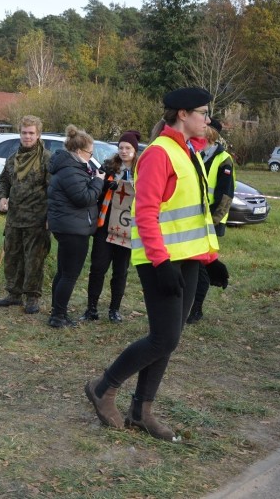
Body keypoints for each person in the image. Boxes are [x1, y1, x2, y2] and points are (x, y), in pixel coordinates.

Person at [84, 87, 229, 441]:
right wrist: (162, 263)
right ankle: (104, 387)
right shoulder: (160, 154)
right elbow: (144, 213)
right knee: (163, 337)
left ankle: (141, 411)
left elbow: (195, 215)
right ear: (183, 114)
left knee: (171, 339)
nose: (206, 120)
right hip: (160, 261)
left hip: (188, 260)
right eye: (202, 113)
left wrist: (211, 260)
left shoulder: (190, 153)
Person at [0, 115, 51, 315]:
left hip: (37, 219)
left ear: (38, 134)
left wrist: (50, 216)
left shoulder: (46, 158)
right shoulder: (12, 158)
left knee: (34, 259)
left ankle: (32, 296)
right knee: (13, 257)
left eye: (31, 133)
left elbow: (53, 189)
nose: (27, 137)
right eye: (24, 133)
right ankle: (14, 294)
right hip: (14, 218)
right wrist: (1, 198)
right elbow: (4, 181)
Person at [46, 125, 105, 328]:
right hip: (73, 228)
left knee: (63, 272)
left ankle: (57, 311)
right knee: (69, 275)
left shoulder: (70, 167)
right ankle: (58, 316)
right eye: (90, 152)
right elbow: (83, 197)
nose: (91, 156)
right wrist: (98, 182)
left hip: (68, 225)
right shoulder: (71, 169)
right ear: (79, 152)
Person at [83, 130, 141, 323]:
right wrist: (105, 187)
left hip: (127, 226)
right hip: (105, 224)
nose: (124, 151)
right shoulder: (109, 167)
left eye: (128, 148)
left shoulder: (141, 169)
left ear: (135, 150)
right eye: (121, 147)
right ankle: (91, 308)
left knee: (120, 271)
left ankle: (114, 309)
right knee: (98, 267)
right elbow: (95, 189)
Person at [188, 117, 235, 324]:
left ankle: (196, 310)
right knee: (197, 265)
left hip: (210, 222)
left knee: (201, 267)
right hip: (193, 219)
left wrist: (212, 222)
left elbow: (225, 196)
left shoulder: (223, 159)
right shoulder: (194, 154)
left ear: (210, 135)